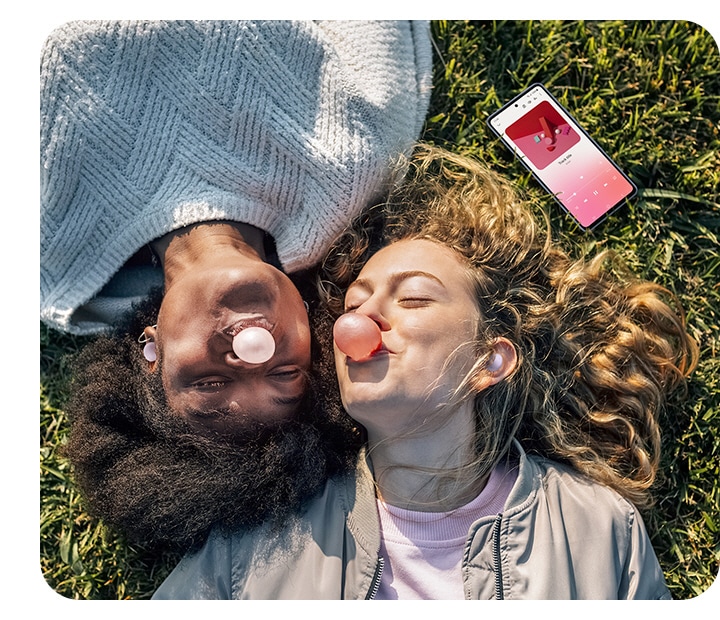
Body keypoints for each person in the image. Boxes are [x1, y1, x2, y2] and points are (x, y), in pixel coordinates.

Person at [152, 144, 698, 599]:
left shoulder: (599, 529)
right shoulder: (261, 531)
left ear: (490, 359)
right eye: (353, 305)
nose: (361, 321)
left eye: (412, 298)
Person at [41, 20, 432, 549]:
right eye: (286, 373)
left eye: (208, 385)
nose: (254, 352)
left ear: (149, 355)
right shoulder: (353, 165)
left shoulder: (44, 250)